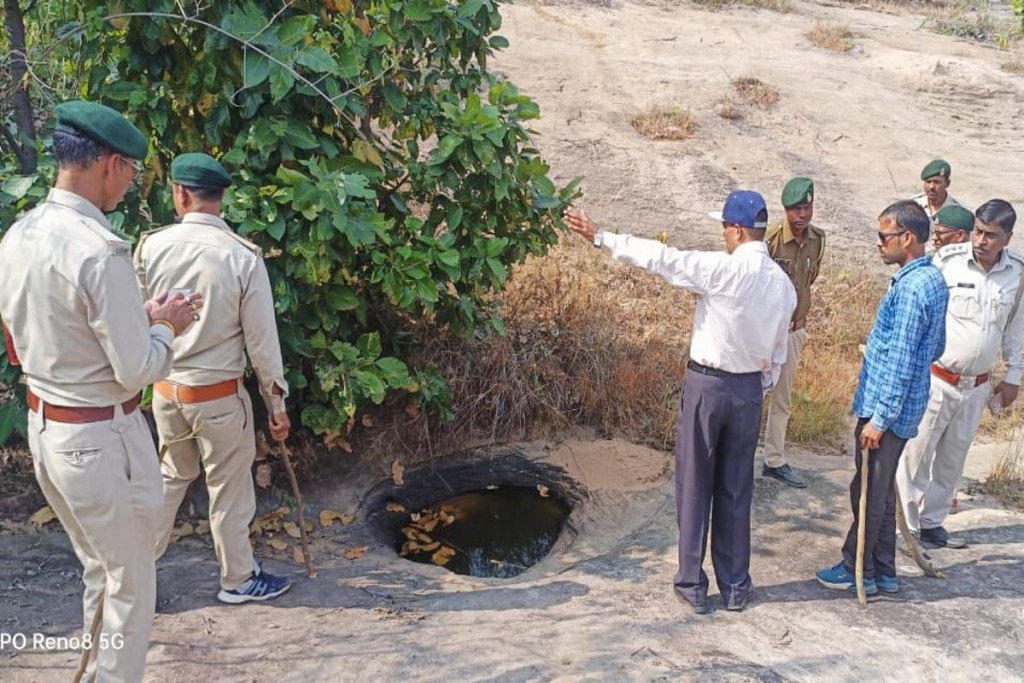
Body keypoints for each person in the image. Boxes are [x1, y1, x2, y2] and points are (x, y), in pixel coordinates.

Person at [0, 100, 198, 682]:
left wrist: (138, 319)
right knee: (132, 587)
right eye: (131, 170)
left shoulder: (20, 233)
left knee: (100, 571)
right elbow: (138, 369)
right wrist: (166, 325)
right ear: (110, 164)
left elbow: (43, 331)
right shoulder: (99, 248)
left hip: (48, 429)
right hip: (99, 437)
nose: (131, 182)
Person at [564, 190, 796, 614]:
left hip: (708, 386)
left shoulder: (724, 270)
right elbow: (779, 353)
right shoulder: (783, 286)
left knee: (695, 484)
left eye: (725, 228)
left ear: (738, 230)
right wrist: (756, 388)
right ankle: (735, 586)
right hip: (748, 393)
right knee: (736, 488)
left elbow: (664, 259)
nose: (723, 236)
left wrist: (602, 237)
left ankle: (692, 584)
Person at [135, 152, 293, 604]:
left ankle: (132, 574)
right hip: (220, 397)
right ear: (222, 197)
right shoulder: (242, 257)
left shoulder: (150, 246)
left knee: (170, 477)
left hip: (166, 390)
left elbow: (135, 319)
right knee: (229, 488)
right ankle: (238, 579)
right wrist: (276, 406)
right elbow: (263, 342)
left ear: (180, 194)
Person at [816, 201, 948, 597]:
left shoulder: (910, 290)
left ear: (907, 238)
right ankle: (884, 571)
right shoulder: (933, 281)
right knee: (882, 489)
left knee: (869, 492)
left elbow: (902, 361)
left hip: (887, 413)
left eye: (883, 236)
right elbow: (936, 346)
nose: (878, 244)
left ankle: (856, 567)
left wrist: (879, 420)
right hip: (903, 408)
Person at [896, 200, 1023, 550]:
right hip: (937, 377)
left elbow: (1015, 327)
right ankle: (906, 525)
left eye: (991, 235)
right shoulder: (948, 263)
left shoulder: (1016, 273)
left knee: (953, 457)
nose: (981, 240)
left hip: (977, 384)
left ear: (1008, 238)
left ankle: (933, 521)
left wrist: (1013, 375)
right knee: (917, 454)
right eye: (978, 231)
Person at [762, 177, 826, 489]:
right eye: (796, 209)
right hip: (764, 330)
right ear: (786, 210)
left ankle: (774, 460)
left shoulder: (817, 239)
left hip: (794, 331)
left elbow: (808, 280)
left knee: (783, 398)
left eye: (807, 207)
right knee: (749, 394)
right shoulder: (771, 238)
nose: (802, 214)